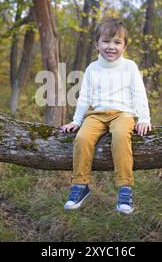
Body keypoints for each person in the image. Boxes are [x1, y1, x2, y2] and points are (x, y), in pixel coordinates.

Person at [60, 18, 152, 214]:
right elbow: (84, 97)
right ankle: (80, 185)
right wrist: (76, 121)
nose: (111, 47)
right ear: (97, 44)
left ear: (124, 46)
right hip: (97, 114)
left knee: (120, 136)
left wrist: (144, 118)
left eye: (117, 42)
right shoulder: (93, 68)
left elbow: (139, 93)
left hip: (123, 114)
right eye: (106, 41)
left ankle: (124, 188)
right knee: (82, 138)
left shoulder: (130, 67)